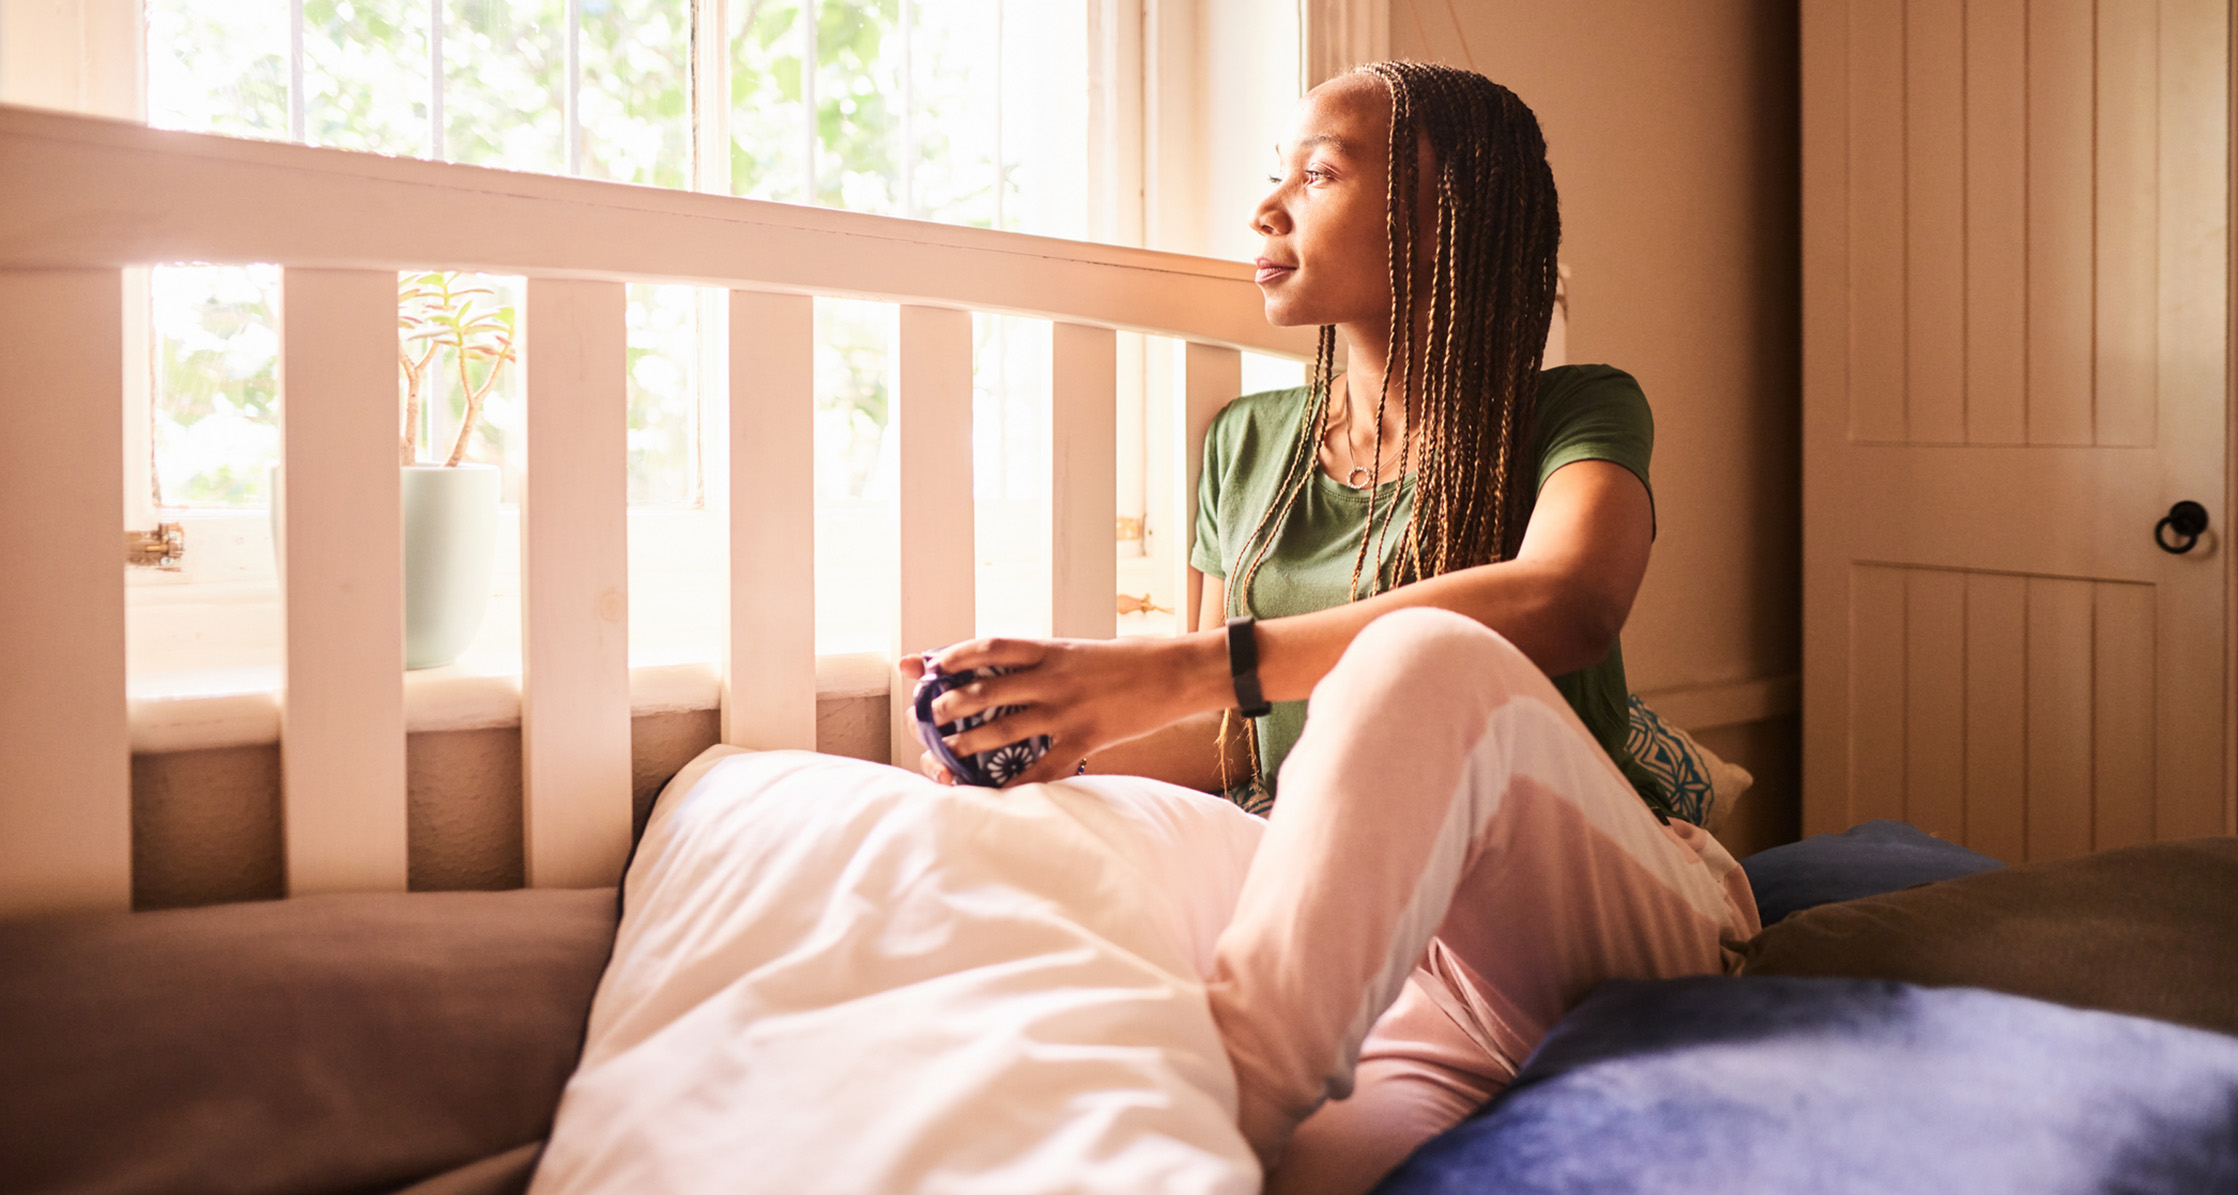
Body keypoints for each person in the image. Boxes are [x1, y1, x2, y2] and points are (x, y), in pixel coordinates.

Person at [899, 61, 1757, 1195]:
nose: (1266, 210)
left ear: (1443, 220)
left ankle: (1228, 1094)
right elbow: (1229, 743)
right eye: (1274, 178)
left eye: (1317, 175)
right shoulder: (1248, 446)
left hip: (1601, 924)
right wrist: (1046, 736)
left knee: (1423, 658)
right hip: (1400, 983)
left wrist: (1181, 666)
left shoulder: (1574, 410)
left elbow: (1570, 601)